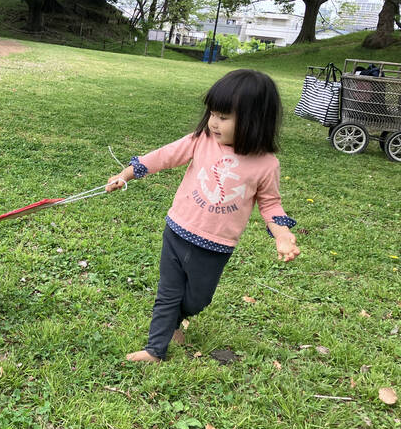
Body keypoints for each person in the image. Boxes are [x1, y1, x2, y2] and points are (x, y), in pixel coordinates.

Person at [105, 69, 300, 363]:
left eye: (224, 117)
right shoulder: (201, 140)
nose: (213, 122)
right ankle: (154, 349)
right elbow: (163, 156)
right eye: (212, 113)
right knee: (168, 293)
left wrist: (282, 234)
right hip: (177, 230)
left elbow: (270, 204)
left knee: (198, 299)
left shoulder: (265, 164)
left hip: (216, 245)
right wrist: (126, 174)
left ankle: (174, 320)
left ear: (254, 119)